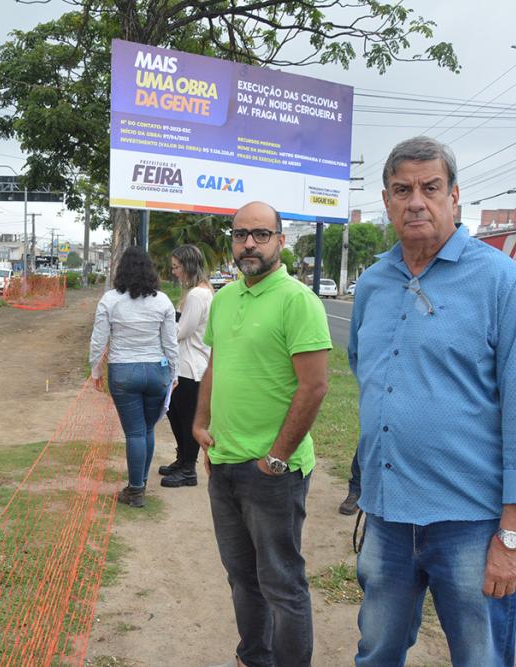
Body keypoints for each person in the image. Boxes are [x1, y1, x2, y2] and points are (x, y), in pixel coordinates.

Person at [349, 136, 516, 667]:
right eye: (401, 190)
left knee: (481, 658)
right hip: (388, 516)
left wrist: (514, 532)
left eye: (430, 187)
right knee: (376, 651)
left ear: (455, 197)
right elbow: (365, 372)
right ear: (387, 200)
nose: (416, 201)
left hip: (471, 522)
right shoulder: (372, 282)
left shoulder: (500, 281)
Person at [193, 201, 331, 667]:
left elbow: (314, 387)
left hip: (273, 473)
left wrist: (276, 458)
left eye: (260, 234)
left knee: (282, 585)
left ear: (280, 241)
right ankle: (254, 657)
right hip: (225, 464)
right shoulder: (225, 297)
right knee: (241, 577)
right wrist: (200, 423)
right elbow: (216, 364)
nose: (248, 243)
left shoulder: (298, 301)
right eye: (239, 234)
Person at [89, 245, 178, 508]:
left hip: (123, 372)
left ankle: (136, 489)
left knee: (135, 433)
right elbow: (170, 342)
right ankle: (140, 484)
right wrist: (175, 372)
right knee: (146, 429)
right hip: (156, 371)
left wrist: (95, 369)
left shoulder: (110, 300)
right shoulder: (163, 301)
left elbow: (98, 340)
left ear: (121, 270)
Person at [159, 244, 214, 488]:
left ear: (188, 266)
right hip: (186, 365)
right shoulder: (198, 292)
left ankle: (188, 468)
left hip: (191, 368)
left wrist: (160, 330)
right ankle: (182, 460)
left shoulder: (196, 295)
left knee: (187, 418)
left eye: (177, 267)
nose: (174, 272)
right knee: (176, 415)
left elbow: (182, 331)